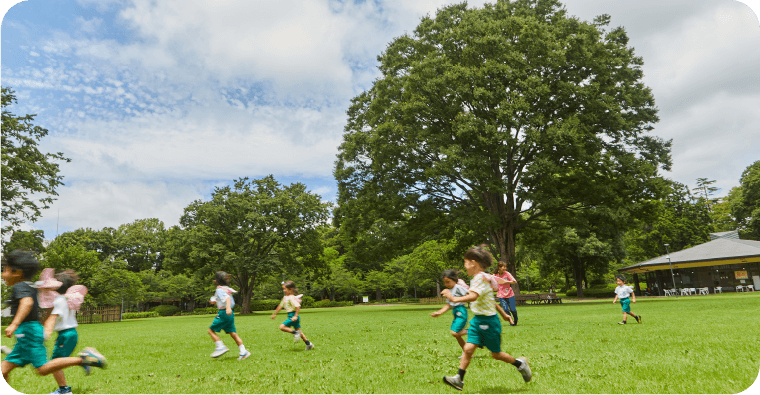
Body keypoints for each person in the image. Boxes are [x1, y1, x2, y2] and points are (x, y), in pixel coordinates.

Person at [1, 250, 106, 385]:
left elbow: (27, 302)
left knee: (42, 369)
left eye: (5, 270)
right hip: (26, 333)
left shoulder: (20, 286)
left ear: (17, 273)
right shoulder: (30, 286)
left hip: (28, 332)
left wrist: (14, 324)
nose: (3, 274)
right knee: (4, 369)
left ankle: (84, 359)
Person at [441, 245, 531, 391]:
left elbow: (473, 296)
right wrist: (504, 314)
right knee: (468, 349)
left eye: (465, 263)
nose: (464, 267)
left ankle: (520, 364)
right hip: (478, 320)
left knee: (496, 354)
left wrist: (453, 298)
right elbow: (489, 301)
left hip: (489, 322)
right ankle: (459, 379)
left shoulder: (480, 279)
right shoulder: (479, 279)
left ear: (473, 262)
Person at [37, 269, 91, 395]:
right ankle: (65, 387)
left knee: (54, 364)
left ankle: (65, 389)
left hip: (66, 335)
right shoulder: (66, 299)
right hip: (69, 334)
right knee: (56, 363)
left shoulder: (59, 300)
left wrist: (46, 333)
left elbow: (52, 318)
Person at [208, 271, 250, 360]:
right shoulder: (226, 288)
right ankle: (243, 351)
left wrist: (227, 308)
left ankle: (220, 347)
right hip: (230, 315)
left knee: (211, 330)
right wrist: (214, 301)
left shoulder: (219, 289)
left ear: (216, 281)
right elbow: (224, 298)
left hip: (224, 313)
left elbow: (227, 299)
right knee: (233, 333)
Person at [430, 270, 469, 357]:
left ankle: (473, 331)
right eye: (444, 282)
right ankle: (467, 353)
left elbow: (469, 294)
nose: (446, 284)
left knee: (454, 333)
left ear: (454, 279)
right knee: (457, 335)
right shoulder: (449, 291)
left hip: (461, 312)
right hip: (456, 312)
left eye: (448, 282)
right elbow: (448, 305)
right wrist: (439, 312)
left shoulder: (458, 288)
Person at [270, 281, 314, 351]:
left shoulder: (291, 297)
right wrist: (275, 313)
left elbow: (298, 306)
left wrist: (295, 316)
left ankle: (295, 333)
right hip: (292, 316)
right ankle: (308, 344)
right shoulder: (285, 298)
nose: (283, 290)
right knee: (300, 333)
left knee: (282, 327)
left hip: (293, 316)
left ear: (290, 289)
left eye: (285, 289)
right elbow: (280, 306)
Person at [493, 262, 519, 326]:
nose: (505, 268)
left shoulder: (507, 274)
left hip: (510, 294)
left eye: (505, 267)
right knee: (505, 309)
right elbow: (491, 282)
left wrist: (506, 282)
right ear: (499, 267)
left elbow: (514, 282)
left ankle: (515, 320)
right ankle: (511, 321)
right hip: (501, 295)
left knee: (513, 309)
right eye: (503, 267)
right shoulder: (495, 275)